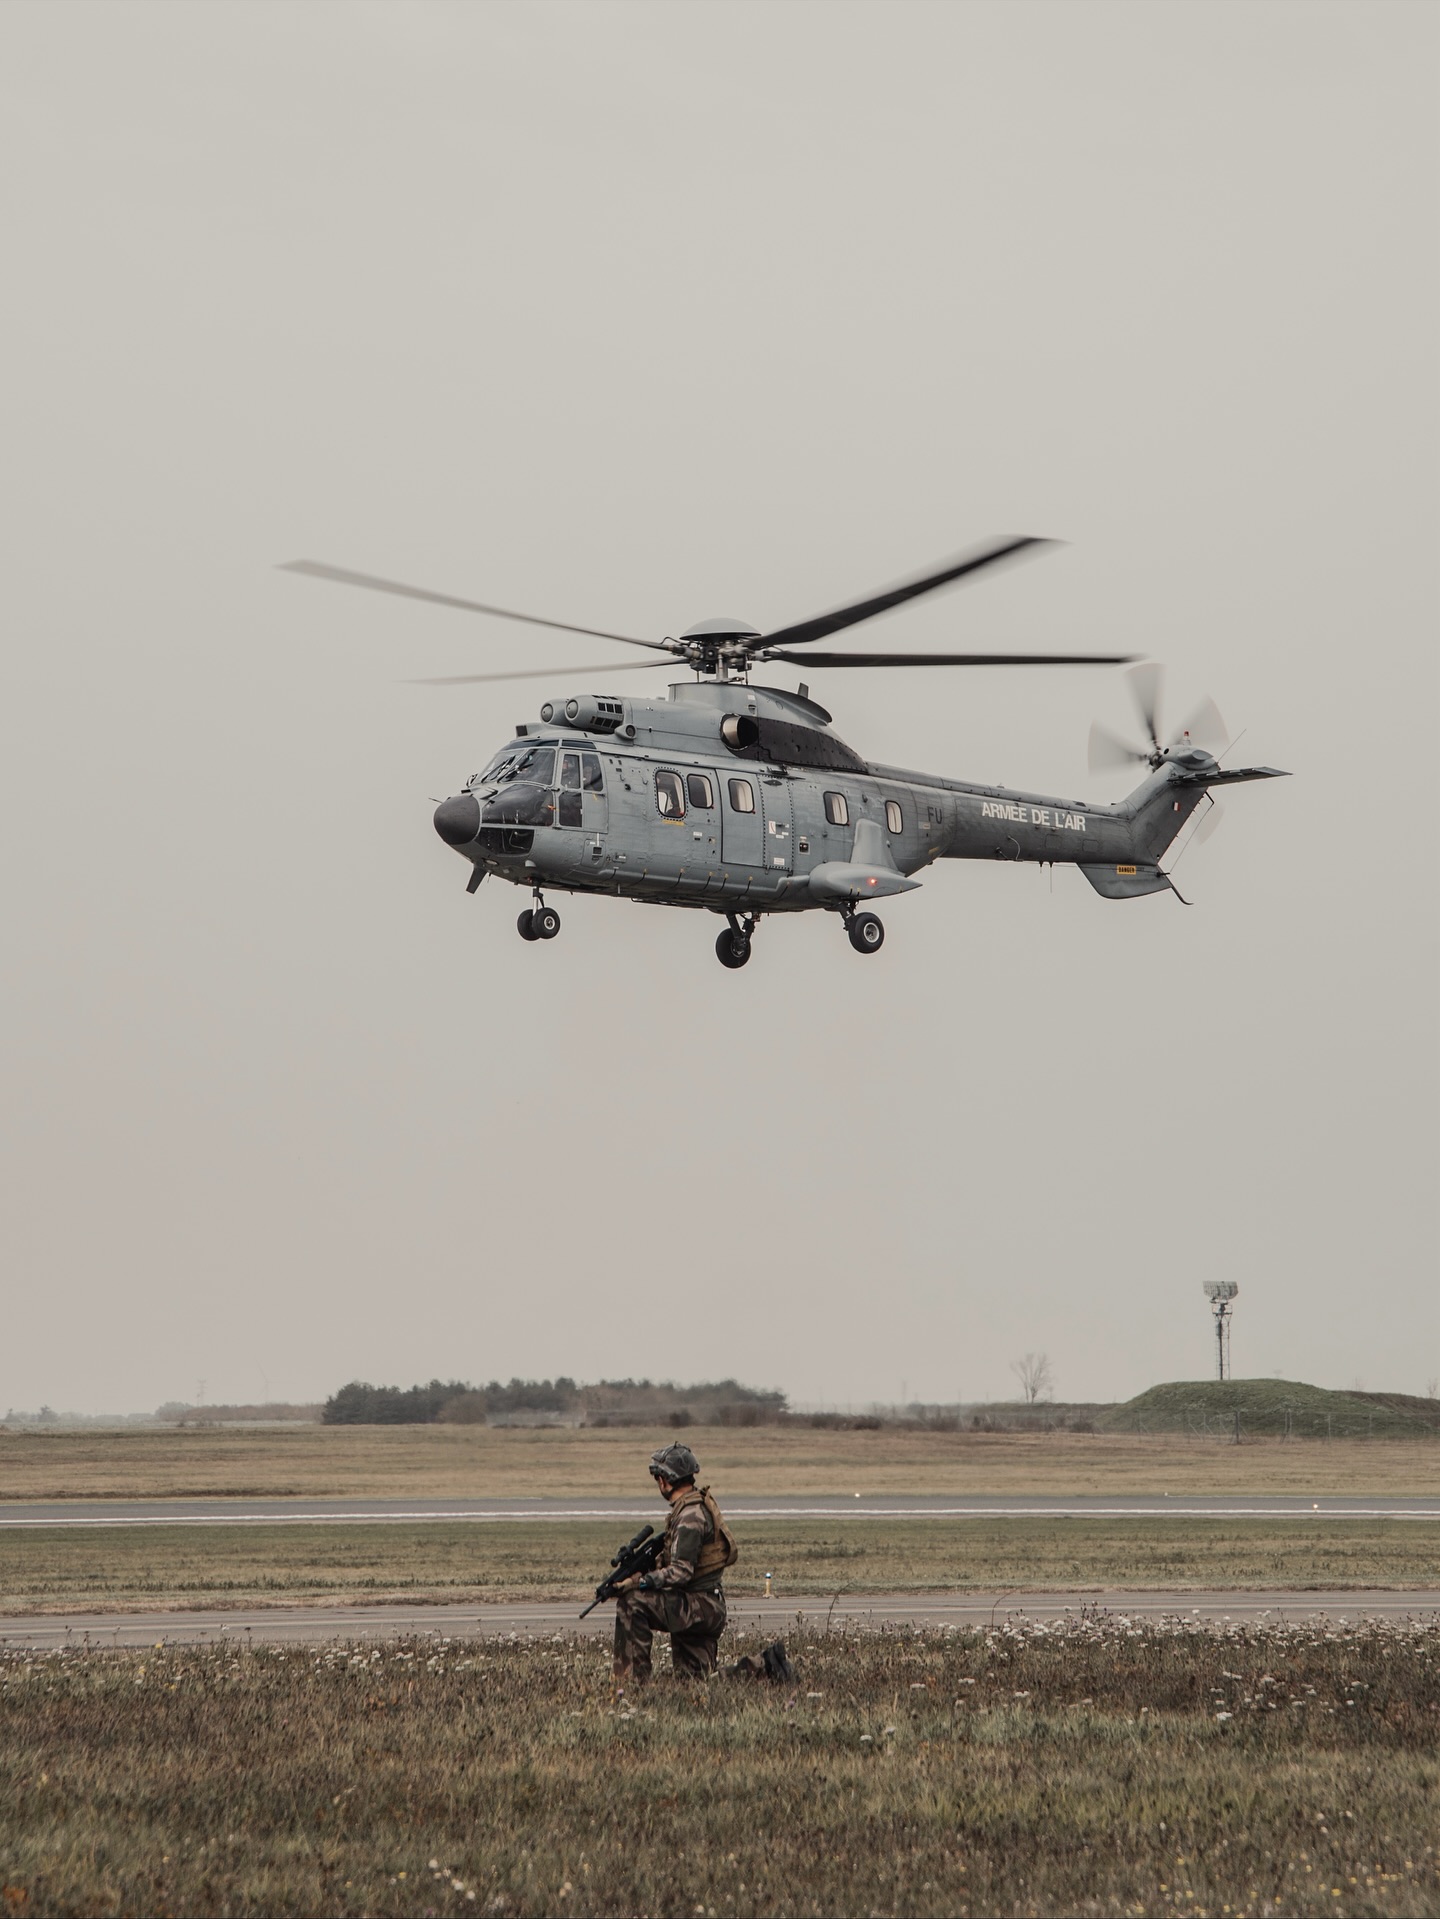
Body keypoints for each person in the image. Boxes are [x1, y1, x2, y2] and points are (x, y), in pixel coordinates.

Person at [612, 1442, 735, 1686]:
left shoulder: (690, 1516)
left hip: (700, 1605)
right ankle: (766, 1667)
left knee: (632, 1603)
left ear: (665, 1480)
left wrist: (641, 1581)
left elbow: (681, 1572)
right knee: (695, 1684)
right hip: (704, 1604)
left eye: (658, 1477)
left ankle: (631, 1686)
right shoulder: (691, 1507)